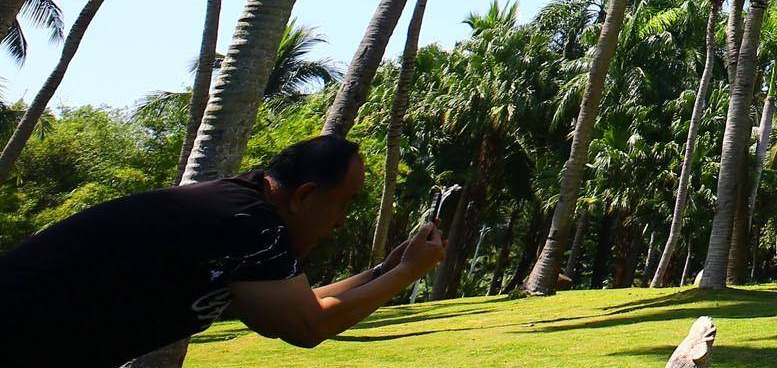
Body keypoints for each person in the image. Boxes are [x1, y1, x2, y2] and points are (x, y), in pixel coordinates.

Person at [0, 133, 446, 368]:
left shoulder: (245, 214)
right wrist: (408, 273)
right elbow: (307, 327)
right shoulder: (249, 224)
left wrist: (384, 270)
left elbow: (299, 307)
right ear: (305, 195)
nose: (343, 220)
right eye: (343, 203)